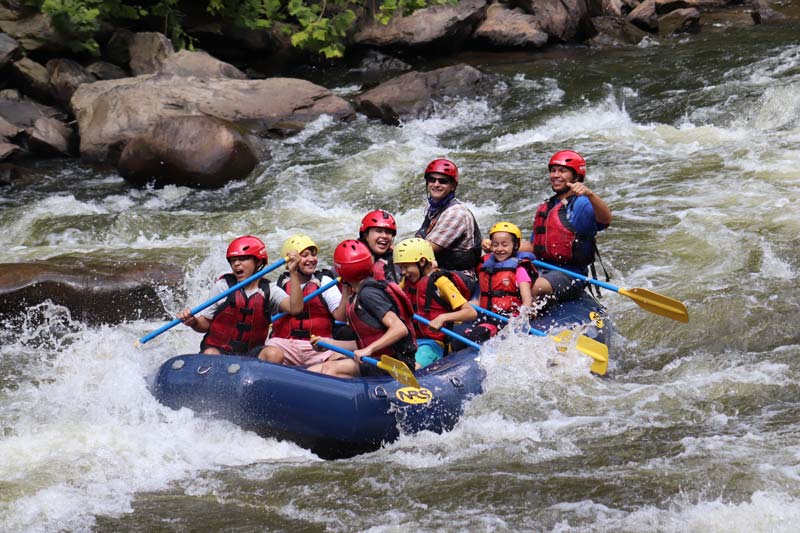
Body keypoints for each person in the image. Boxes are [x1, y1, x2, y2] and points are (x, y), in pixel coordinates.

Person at [308, 239, 417, 378]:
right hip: (379, 358)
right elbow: (365, 341)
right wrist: (330, 343)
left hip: (395, 363)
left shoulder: (368, 294)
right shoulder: (357, 293)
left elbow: (399, 328)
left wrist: (369, 350)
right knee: (312, 372)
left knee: (330, 369)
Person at [178, 235, 303, 355]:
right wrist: (194, 322)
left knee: (274, 353)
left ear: (258, 262)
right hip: (218, 350)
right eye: (233, 260)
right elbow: (205, 324)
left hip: (250, 355)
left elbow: (295, 308)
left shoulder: (269, 290)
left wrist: (293, 272)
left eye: (243, 259)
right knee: (211, 353)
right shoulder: (223, 286)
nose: (236, 264)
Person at [520, 150, 612, 306]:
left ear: (575, 177)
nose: (555, 175)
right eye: (553, 170)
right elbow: (533, 246)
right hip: (543, 267)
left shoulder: (581, 203)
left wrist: (591, 195)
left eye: (562, 171)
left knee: (532, 288)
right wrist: (498, 247)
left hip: (571, 274)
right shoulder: (549, 205)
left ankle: (524, 318)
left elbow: (605, 219)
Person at [258, 234, 343, 367]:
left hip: (318, 347)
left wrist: (347, 285)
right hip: (284, 345)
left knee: (341, 359)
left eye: (313, 255)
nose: (311, 259)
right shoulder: (277, 286)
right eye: (304, 255)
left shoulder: (325, 282)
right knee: (271, 354)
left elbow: (341, 317)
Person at [393, 237, 477, 369]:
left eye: (406, 266)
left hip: (434, 343)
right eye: (400, 267)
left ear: (422, 262)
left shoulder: (441, 282)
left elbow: (470, 312)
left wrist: (442, 318)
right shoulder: (407, 281)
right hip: (412, 341)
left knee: (413, 365)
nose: (403, 272)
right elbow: (394, 297)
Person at [460, 222, 537, 344]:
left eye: (505, 245)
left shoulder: (519, 270)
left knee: (469, 337)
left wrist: (520, 321)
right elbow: (480, 297)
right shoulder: (487, 267)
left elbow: (527, 301)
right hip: (486, 316)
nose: (499, 249)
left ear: (515, 246)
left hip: (506, 321)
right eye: (495, 245)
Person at [414, 158, 482, 289]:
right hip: (439, 270)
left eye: (443, 181)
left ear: (453, 186)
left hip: (459, 278)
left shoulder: (455, 213)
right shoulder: (433, 207)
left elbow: (424, 249)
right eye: (432, 180)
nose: (436, 184)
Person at [358, 209, 401, 283]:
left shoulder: (397, 259)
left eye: (388, 232)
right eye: (378, 231)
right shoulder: (353, 259)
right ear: (365, 235)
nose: (384, 236)